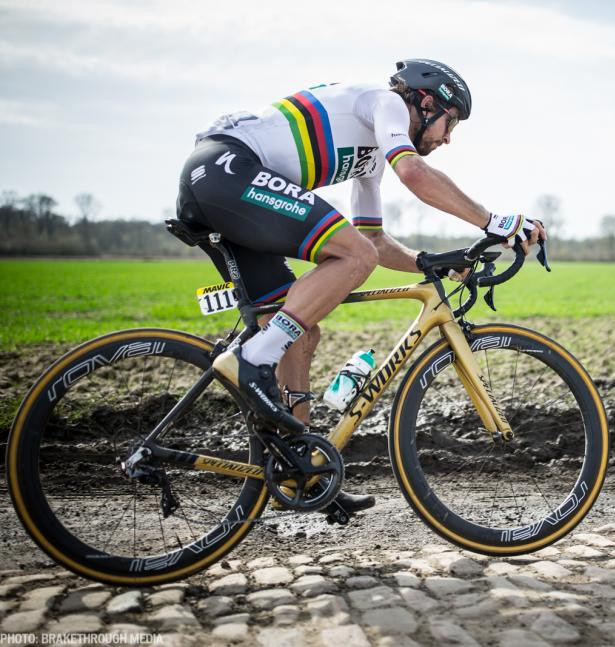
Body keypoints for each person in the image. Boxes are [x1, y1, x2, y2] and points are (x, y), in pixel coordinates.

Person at [175, 60, 546, 516]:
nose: (448, 138)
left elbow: (372, 238)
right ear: (426, 103)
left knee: (300, 332)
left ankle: (302, 470)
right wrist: (495, 221)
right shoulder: (385, 103)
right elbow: (412, 178)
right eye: (450, 123)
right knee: (346, 265)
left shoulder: (371, 153)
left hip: (226, 183)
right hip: (227, 169)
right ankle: (251, 360)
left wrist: (431, 265)